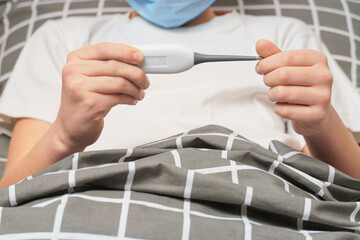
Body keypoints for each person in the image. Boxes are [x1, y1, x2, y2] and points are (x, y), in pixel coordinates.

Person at [0, 0, 359, 188]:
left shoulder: (286, 35)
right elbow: (10, 195)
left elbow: (351, 188)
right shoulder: (62, 39)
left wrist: (321, 124)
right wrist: (65, 134)